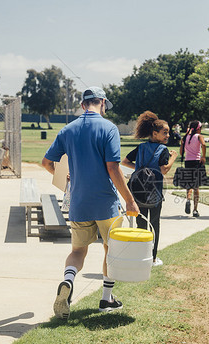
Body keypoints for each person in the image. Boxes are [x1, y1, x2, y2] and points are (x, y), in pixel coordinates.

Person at [42, 86, 139, 319]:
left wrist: (67, 182)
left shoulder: (68, 130)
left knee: (77, 251)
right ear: (102, 103)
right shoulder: (109, 128)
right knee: (111, 249)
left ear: (83, 104)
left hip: (79, 203)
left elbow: (47, 162)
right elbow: (113, 167)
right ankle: (106, 299)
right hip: (106, 203)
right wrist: (130, 200)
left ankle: (68, 280)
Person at [122, 111, 178, 267]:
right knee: (154, 224)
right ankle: (152, 258)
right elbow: (164, 169)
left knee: (141, 224)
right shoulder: (163, 150)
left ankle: (140, 255)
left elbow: (125, 161)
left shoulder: (140, 148)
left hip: (138, 193)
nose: (168, 135)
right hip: (154, 194)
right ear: (155, 133)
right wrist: (173, 157)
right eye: (165, 132)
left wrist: (139, 169)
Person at [179, 120, 207, 217]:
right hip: (196, 162)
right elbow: (204, 145)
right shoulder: (199, 136)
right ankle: (195, 210)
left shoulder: (185, 137)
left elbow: (181, 152)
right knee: (196, 186)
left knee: (189, 184)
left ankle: (188, 199)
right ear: (198, 128)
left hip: (187, 162)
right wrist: (203, 156)